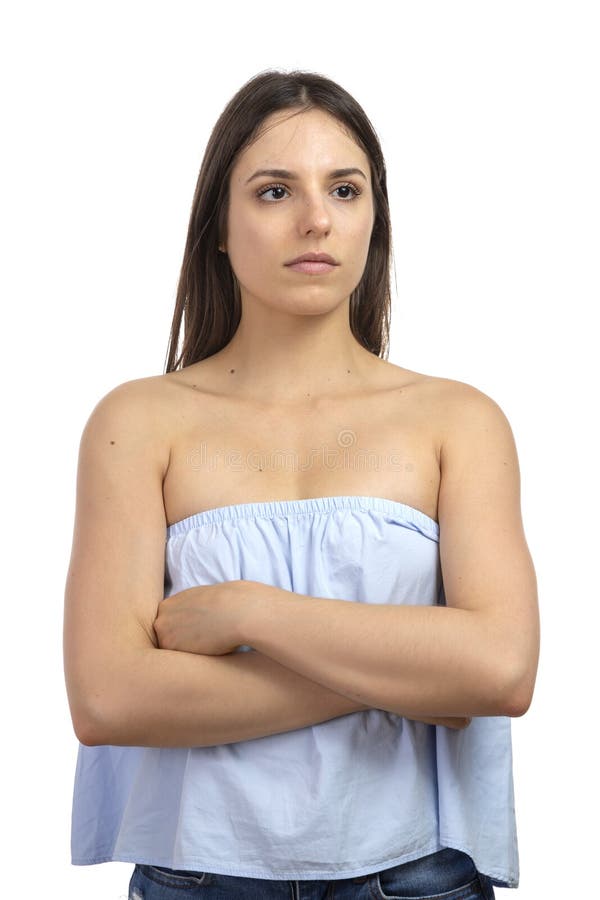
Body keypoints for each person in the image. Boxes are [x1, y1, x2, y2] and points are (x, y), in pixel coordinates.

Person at [63, 69, 540, 900]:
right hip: (200, 878)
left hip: (417, 876)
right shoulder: (136, 423)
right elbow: (108, 698)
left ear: (373, 220)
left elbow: (499, 672)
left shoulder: (460, 421)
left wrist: (252, 612)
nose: (316, 219)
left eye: (344, 190)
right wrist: (414, 677)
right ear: (218, 225)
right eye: (275, 190)